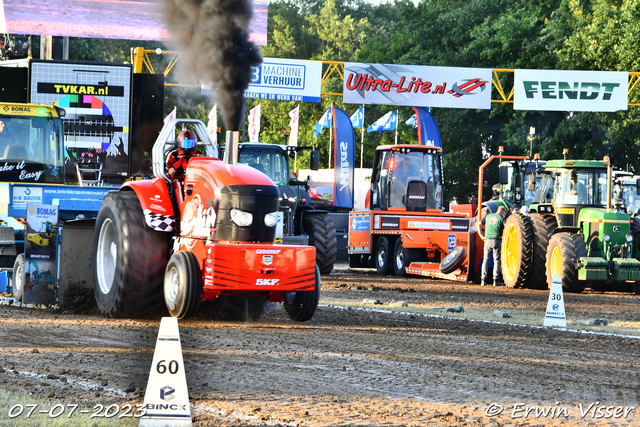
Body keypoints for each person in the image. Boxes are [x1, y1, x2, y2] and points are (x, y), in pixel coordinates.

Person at [476, 205, 507, 287]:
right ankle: (496, 280)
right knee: (496, 260)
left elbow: (479, 224)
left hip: (487, 240)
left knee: (485, 260)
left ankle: (483, 280)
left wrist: (481, 236)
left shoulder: (487, 216)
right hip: (497, 240)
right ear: (503, 212)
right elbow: (507, 228)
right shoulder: (502, 218)